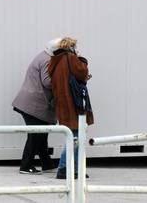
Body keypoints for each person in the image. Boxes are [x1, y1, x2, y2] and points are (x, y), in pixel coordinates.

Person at [12, 38, 61, 174]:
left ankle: (47, 164)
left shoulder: (43, 55)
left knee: (41, 134)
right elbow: (47, 82)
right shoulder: (47, 60)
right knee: (36, 135)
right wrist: (62, 81)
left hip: (30, 103)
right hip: (33, 104)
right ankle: (25, 166)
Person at [48, 37, 94, 179]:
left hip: (63, 103)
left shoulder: (55, 61)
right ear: (71, 47)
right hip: (73, 104)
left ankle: (75, 169)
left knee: (74, 137)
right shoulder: (71, 58)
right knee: (75, 137)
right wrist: (81, 59)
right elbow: (82, 72)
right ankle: (64, 168)